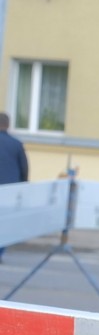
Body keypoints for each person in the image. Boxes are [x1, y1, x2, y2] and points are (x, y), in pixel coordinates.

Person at [0, 112, 28, 263]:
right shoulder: (16, 144)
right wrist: (23, 187)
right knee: (4, 225)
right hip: (9, 191)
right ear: (8, 125)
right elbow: (24, 168)